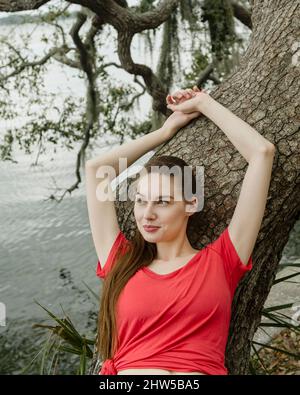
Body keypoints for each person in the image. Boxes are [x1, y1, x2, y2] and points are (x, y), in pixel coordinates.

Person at [85, 86, 276, 375]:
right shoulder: (119, 261)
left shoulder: (222, 260)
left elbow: (262, 153)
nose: (147, 213)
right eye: (141, 200)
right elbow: (97, 169)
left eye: (162, 201)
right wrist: (163, 133)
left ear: (191, 203)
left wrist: (204, 103)